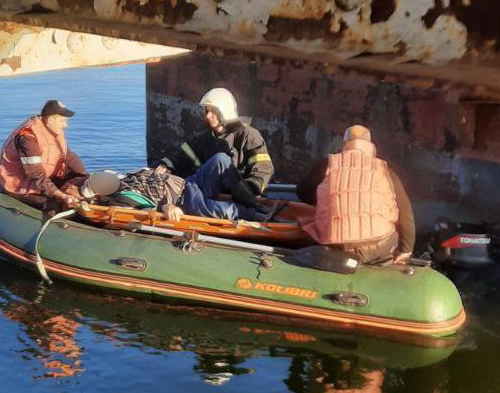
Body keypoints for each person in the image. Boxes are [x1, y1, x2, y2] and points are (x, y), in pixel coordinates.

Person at [299, 125, 414, 264]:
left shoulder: (327, 163)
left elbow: (302, 191)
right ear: (370, 144)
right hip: (377, 246)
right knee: (392, 232)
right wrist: (405, 249)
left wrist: (328, 202)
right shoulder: (384, 170)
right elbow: (405, 213)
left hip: (333, 244)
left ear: (345, 143)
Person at [158, 87, 276, 222]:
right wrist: (166, 164)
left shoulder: (249, 136)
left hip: (241, 197)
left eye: (213, 111)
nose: (208, 116)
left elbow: (263, 168)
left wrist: (249, 189)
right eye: (207, 111)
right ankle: (252, 212)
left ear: (225, 111)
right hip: (210, 195)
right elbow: (181, 155)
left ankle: (254, 209)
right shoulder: (204, 140)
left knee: (222, 162)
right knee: (220, 161)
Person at [0, 100, 87, 210]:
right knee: (54, 205)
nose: (65, 125)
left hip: (45, 178)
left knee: (85, 185)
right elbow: (35, 174)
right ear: (51, 119)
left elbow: (70, 157)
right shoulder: (28, 138)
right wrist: (61, 195)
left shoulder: (54, 131)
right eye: (63, 121)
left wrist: (85, 178)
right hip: (21, 185)